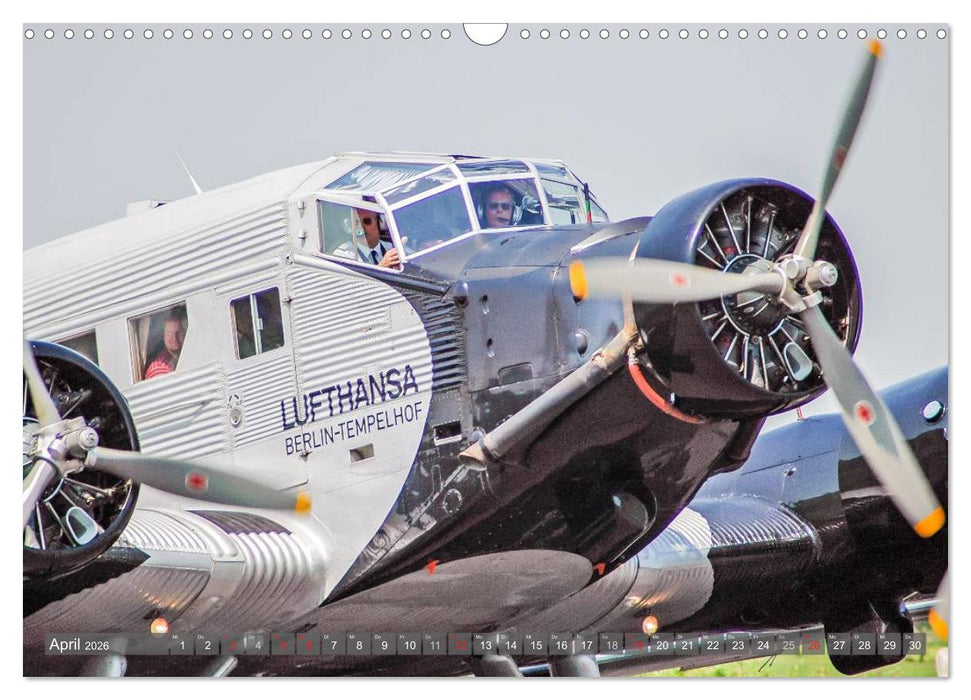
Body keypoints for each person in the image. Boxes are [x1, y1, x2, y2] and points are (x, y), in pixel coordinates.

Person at [335, 208, 400, 268]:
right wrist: (381, 267)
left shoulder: (392, 248)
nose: (361, 227)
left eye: (367, 221)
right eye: (356, 222)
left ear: (380, 224)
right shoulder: (342, 254)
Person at [144, 315, 185, 379]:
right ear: (164, 336)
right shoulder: (158, 370)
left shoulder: (181, 357)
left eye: (179, 333)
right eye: (169, 333)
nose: (174, 338)